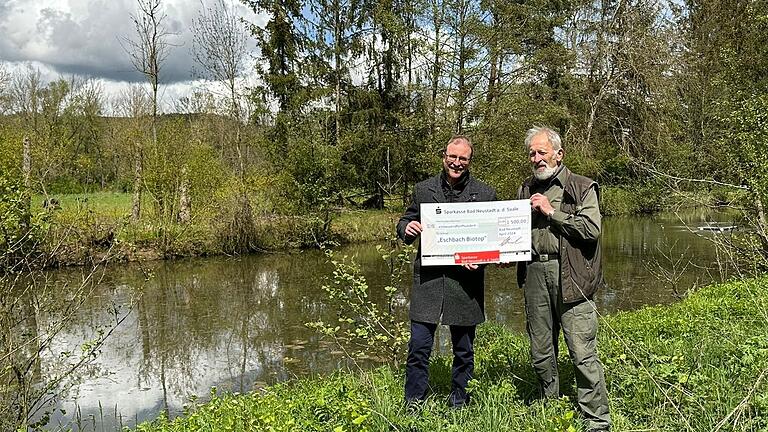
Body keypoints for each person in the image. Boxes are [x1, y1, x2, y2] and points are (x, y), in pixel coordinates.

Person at [516, 126, 611, 431]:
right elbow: (514, 232)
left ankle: (596, 420)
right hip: (534, 272)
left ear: (558, 154)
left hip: (571, 275)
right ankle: (550, 406)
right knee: (541, 349)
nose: (536, 158)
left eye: (542, 152)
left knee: (582, 350)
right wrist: (508, 254)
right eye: (532, 153)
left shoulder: (581, 187)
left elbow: (591, 230)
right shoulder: (524, 189)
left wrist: (551, 212)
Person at [397, 135, 497, 408]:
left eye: (463, 158)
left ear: (469, 161)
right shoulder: (423, 189)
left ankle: (460, 402)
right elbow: (407, 218)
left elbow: (493, 240)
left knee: (464, 350)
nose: (456, 163)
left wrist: (481, 260)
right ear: (444, 157)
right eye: (452, 157)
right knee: (418, 347)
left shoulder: (485, 194)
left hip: (465, 284)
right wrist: (405, 228)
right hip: (428, 281)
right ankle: (413, 401)